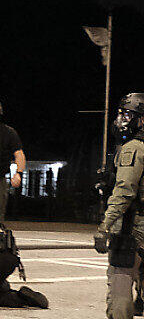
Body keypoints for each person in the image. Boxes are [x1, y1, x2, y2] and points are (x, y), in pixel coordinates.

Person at [96, 92, 144, 319]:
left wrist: (106, 224)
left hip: (133, 228)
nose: (122, 120)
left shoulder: (134, 148)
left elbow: (125, 191)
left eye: (127, 115)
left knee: (120, 283)